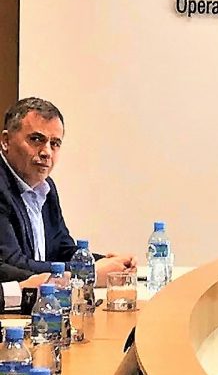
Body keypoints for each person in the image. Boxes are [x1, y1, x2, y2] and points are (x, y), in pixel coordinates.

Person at [0, 97, 135, 284]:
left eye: (55, 143)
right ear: (6, 141)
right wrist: (90, 272)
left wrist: (109, 263)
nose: (47, 152)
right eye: (36, 139)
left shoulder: (46, 188)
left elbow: (62, 250)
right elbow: (11, 266)